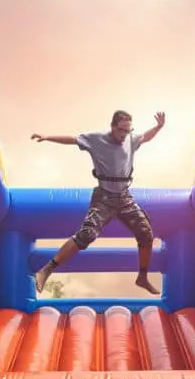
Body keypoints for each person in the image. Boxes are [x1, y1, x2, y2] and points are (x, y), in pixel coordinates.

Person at [31, 110, 166, 295]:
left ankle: (142, 277)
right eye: (121, 131)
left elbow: (144, 137)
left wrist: (158, 127)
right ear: (112, 127)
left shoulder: (130, 139)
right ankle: (47, 269)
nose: (124, 135)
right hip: (104, 197)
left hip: (124, 197)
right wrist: (47, 137)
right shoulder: (96, 139)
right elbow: (72, 139)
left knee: (146, 233)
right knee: (87, 234)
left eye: (128, 131)